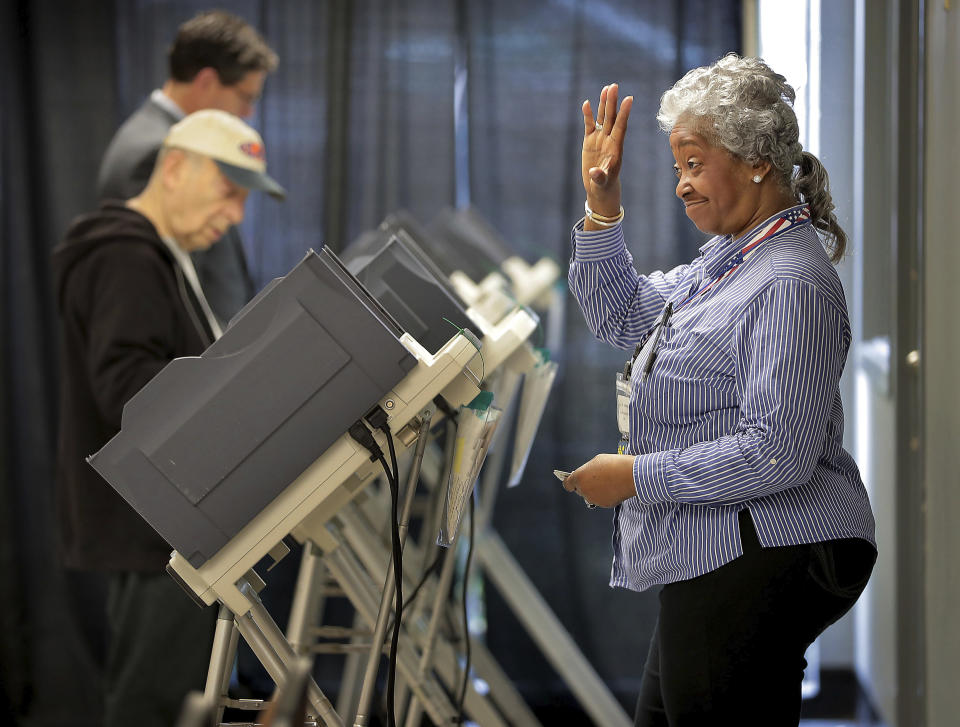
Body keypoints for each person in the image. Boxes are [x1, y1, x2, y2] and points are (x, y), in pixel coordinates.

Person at [563, 55, 877, 726]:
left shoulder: (788, 281)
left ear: (757, 160)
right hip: (712, 547)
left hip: (763, 551)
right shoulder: (729, 261)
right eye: (677, 166)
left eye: (695, 163)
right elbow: (623, 317)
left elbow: (777, 453)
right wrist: (603, 205)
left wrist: (636, 477)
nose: (681, 185)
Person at [53, 110, 285, 727]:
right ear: (175, 168)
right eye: (228, 191)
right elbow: (127, 391)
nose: (235, 215)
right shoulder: (126, 258)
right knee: (153, 706)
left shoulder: (158, 253)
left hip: (167, 526)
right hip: (156, 533)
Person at [98, 9, 278, 324]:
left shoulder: (167, 139)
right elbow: (166, 290)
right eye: (245, 98)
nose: (248, 113)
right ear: (207, 81)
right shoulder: (156, 150)